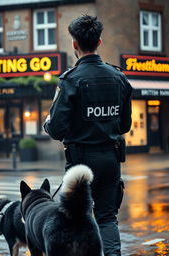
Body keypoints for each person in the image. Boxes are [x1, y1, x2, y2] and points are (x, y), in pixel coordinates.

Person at [43, 15, 132, 256]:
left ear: (74, 44)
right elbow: (125, 125)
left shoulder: (70, 80)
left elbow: (56, 128)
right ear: (99, 42)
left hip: (80, 163)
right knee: (107, 218)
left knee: (73, 220)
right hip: (111, 160)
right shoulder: (119, 78)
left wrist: (47, 123)